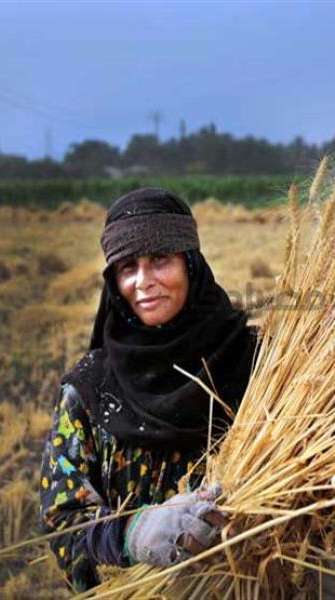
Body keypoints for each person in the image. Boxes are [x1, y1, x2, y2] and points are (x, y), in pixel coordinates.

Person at [39, 188, 258, 592]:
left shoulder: (256, 363)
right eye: (127, 267)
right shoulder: (89, 390)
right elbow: (61, 522)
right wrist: (132, 534)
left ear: (191, 264)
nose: (144, 282)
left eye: (160, 260)